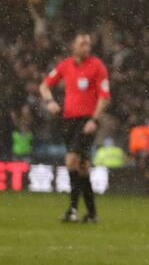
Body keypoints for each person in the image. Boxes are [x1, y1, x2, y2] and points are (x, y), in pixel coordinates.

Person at [39, 32, 111, 224]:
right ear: (74, 46)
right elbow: (44, 86)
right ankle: (93, 214)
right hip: (68, 121)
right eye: (82, 44)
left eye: (88, 44)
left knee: (71, 161)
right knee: (83, 167)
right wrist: (50, 102)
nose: (86, 47)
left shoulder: (97, 66)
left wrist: (94, 120)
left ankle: (72, 210)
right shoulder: (65, 65)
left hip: (87, 121)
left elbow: (104, 96)